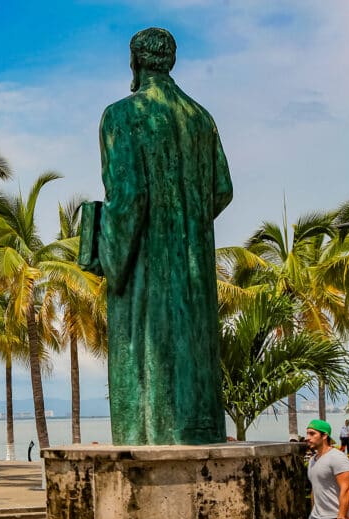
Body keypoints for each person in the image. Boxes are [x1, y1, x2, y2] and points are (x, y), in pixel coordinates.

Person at [82, 27, 232, 446]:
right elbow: (222, 189)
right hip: (194, 267)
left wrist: (107, 250)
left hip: (148, 266)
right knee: (194, 353)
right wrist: (189, 226)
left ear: (135, 62)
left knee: (146, 358)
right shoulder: (201, 118)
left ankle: (152, 433)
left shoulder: (122, 114)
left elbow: (128, 195)